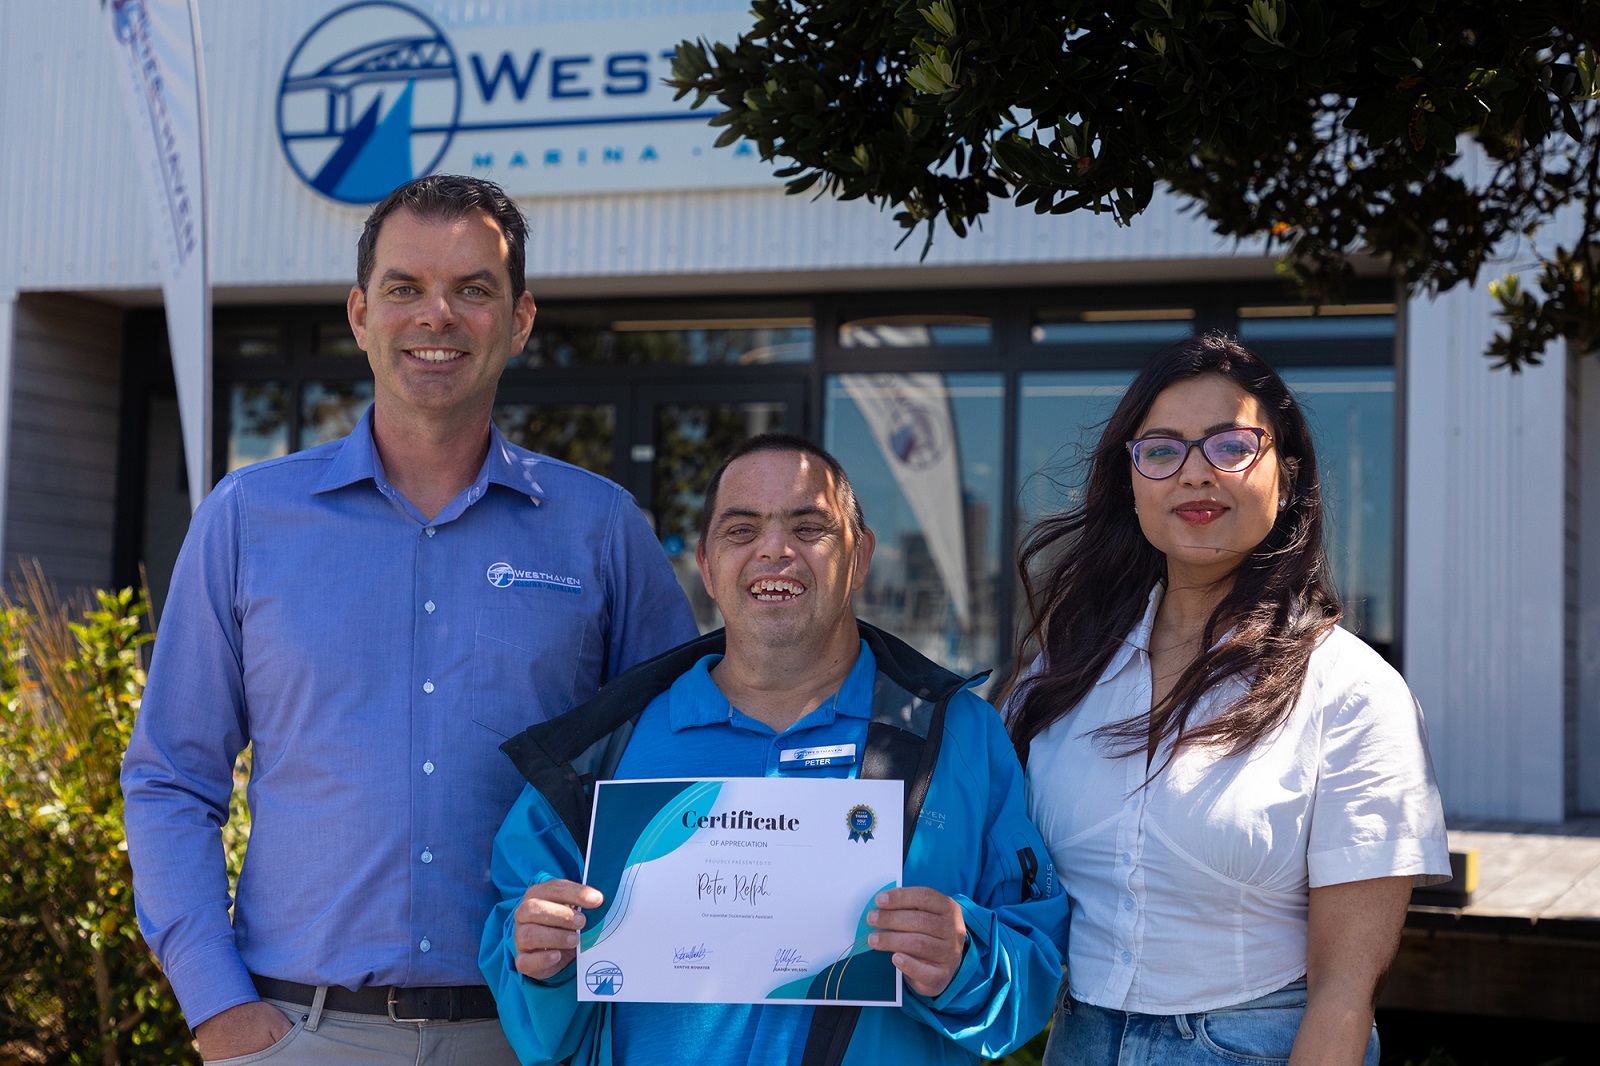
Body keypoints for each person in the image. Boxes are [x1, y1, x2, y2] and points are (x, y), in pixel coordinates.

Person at [121, 174, 698, 1064]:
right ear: (360, 315)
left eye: (474, 289)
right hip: (297, 1034)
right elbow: (170, 777)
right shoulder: (246, 520)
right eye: (405, 288)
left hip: (529, 1034)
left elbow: (678, 773)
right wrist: (216, 1009)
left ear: (520, 320)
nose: (438, 316)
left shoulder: (601, 529)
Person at [480, 434, 1068, 1065]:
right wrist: (540, 959)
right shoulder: (604, 747)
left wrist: (964, 959)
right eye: (742, 530)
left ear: (859, 556)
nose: (775, 550)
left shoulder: (956, 736)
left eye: (809, 526)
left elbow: (1038, 956)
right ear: (706, 565)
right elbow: (529, 979)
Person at [1005, 333, 1450, 1066]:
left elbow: (1344, 993)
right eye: (1162, 450)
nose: (1194, 475)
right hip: (1080, 1038)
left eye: (1231, 445)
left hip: (1251, 1044)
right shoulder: (1063, 676)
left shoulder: (1352, 692)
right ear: (1132, 482)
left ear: (1288, 473)